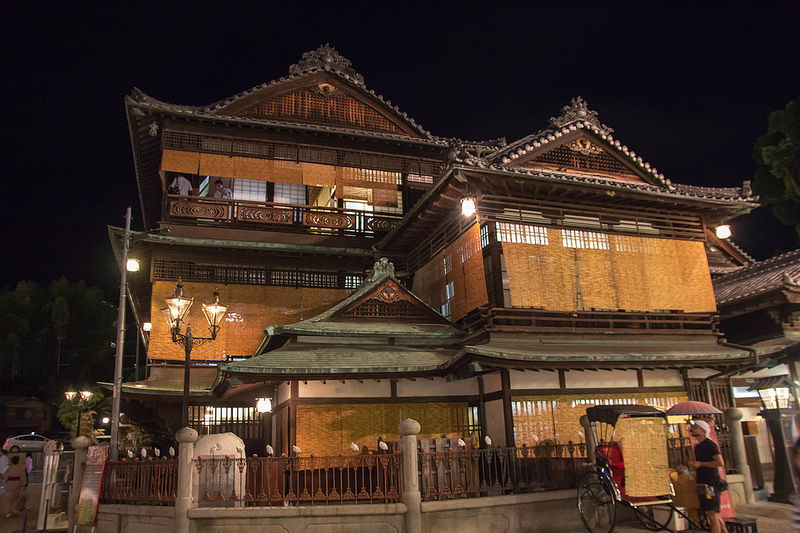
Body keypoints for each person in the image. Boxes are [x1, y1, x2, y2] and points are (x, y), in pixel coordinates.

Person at [688, 420, 727, 533]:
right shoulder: (697, 446)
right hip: (702, 480)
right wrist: (694, 462)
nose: (692, 429)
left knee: (712, 513)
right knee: (711, 511)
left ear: (702, 430)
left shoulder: (710, 444)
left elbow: (720, 462)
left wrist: (701, 464)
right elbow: (697, 461)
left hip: (711, 481)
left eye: (695, 427)